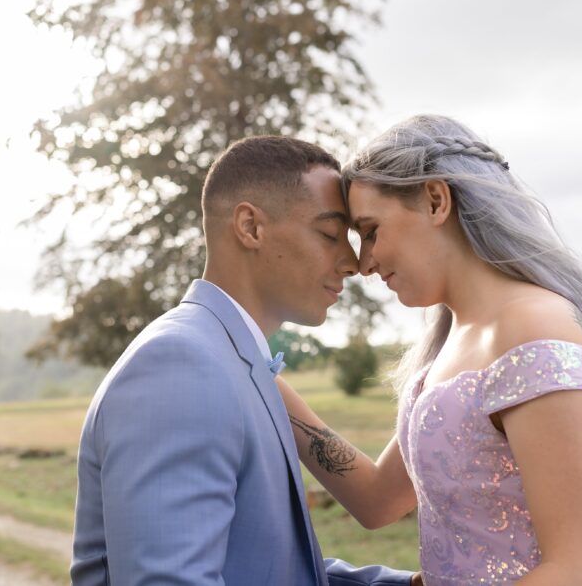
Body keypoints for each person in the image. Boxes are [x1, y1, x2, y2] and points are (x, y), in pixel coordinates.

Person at [277, 115, 582, 585]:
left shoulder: (532, 327)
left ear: (436, 200)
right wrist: (261, 373)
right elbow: (377, 499)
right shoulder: (454, 337)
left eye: (371, 230)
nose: (365, 263)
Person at [71, 136, 416, 585]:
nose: (352, 262)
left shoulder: (236, 361)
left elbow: (264, 568)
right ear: (251, 227)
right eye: (331, 234)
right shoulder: (179, 366)